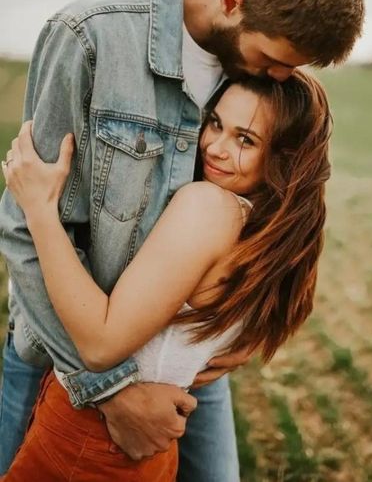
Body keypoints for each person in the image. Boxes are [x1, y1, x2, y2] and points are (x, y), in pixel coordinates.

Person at [0, 0, 364, 480]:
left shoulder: (251, 69)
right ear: (231, 0)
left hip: (183, 366)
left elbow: (282, 196)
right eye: (276, 60)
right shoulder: (91, 37)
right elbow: (25, 222)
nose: (282, 77)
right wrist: (108, 389)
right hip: (59, 356)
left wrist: (247, 325)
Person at [1, 71, 331, 481]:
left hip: (89, 439)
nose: (215, 147)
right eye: (215, 123)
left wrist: (38, 210)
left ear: (285, 158)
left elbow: (100, 345)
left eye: (245, 139)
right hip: (146, 451)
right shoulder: (273, 237)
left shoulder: (209, 209)